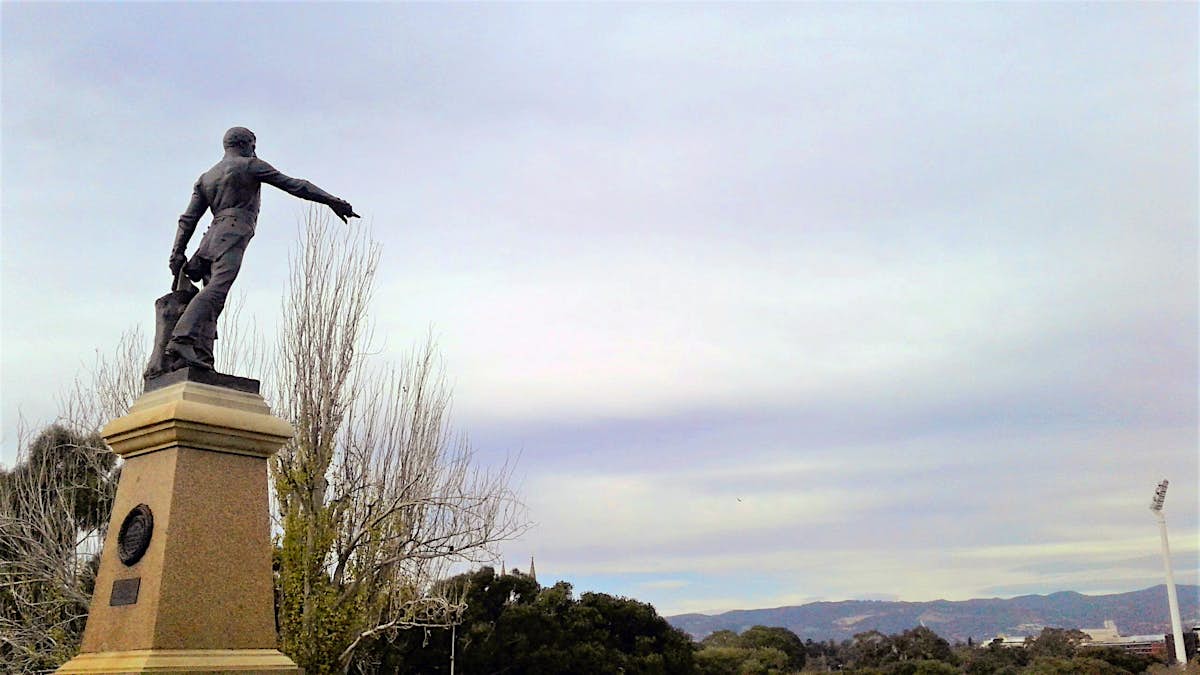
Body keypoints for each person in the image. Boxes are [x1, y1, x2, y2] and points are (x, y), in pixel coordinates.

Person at [163, 126, 357, 371]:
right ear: (247, 144)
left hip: (210, 238)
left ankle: (201, 355)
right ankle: (182, 339)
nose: (255, 150)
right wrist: (333, 201)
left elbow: (187, 220)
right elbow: (297, 185)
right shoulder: (249, 165)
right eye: (253, 146)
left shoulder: (206, 178)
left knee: (215, 298)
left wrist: (177, 252)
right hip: (233, 232)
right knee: (217, 290)